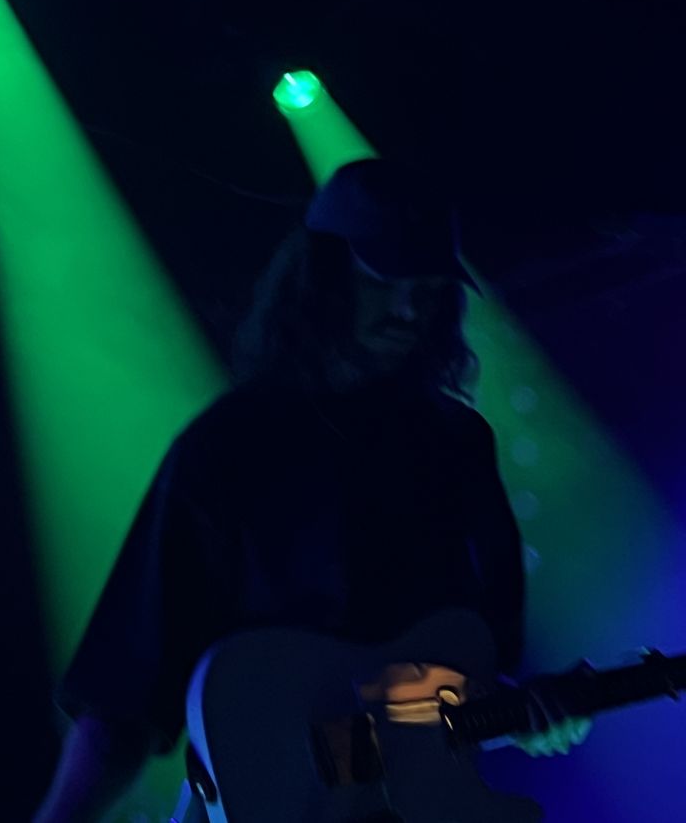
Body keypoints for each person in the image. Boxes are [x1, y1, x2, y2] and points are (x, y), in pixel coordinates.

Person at [33, 158, 589, 823]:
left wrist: (527, 708)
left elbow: (466, 676)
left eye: (429, 283)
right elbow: (124, 694)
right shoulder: (227, 447)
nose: (411, 307)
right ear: (321, 276)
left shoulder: (459, 444)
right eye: (384, 278)